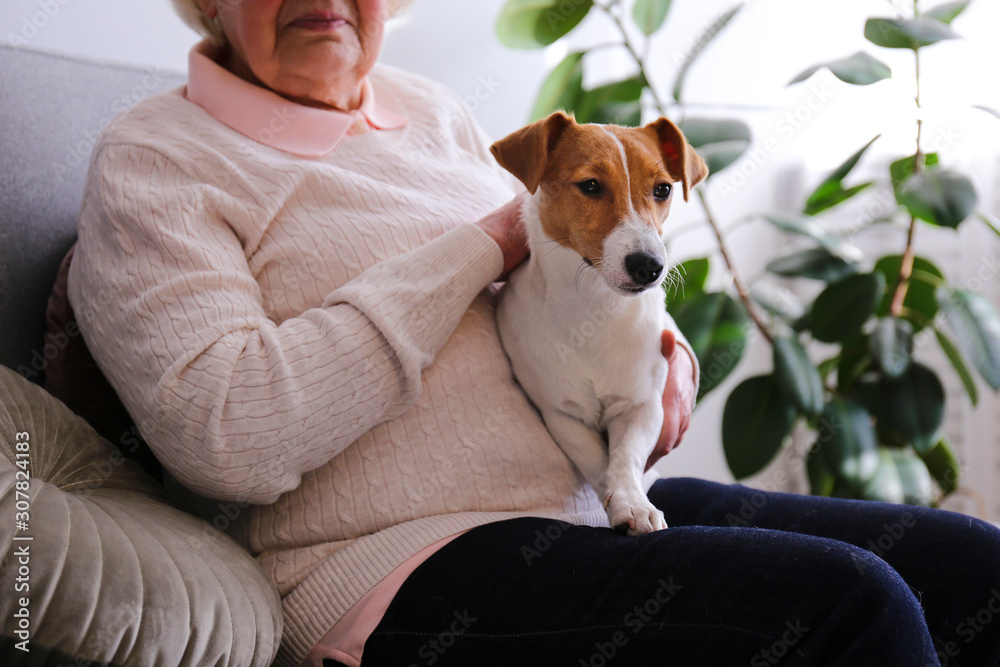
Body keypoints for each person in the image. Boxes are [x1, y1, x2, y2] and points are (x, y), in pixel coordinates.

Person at [67, 0, 1000, 665]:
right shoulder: (156, 158)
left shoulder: (432, 112)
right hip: (400, 562)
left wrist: (664, 360)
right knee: (852, 606)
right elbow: (226, 433)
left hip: (592, 499)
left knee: (972, 564)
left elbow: (565, 274)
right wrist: (473, 248)